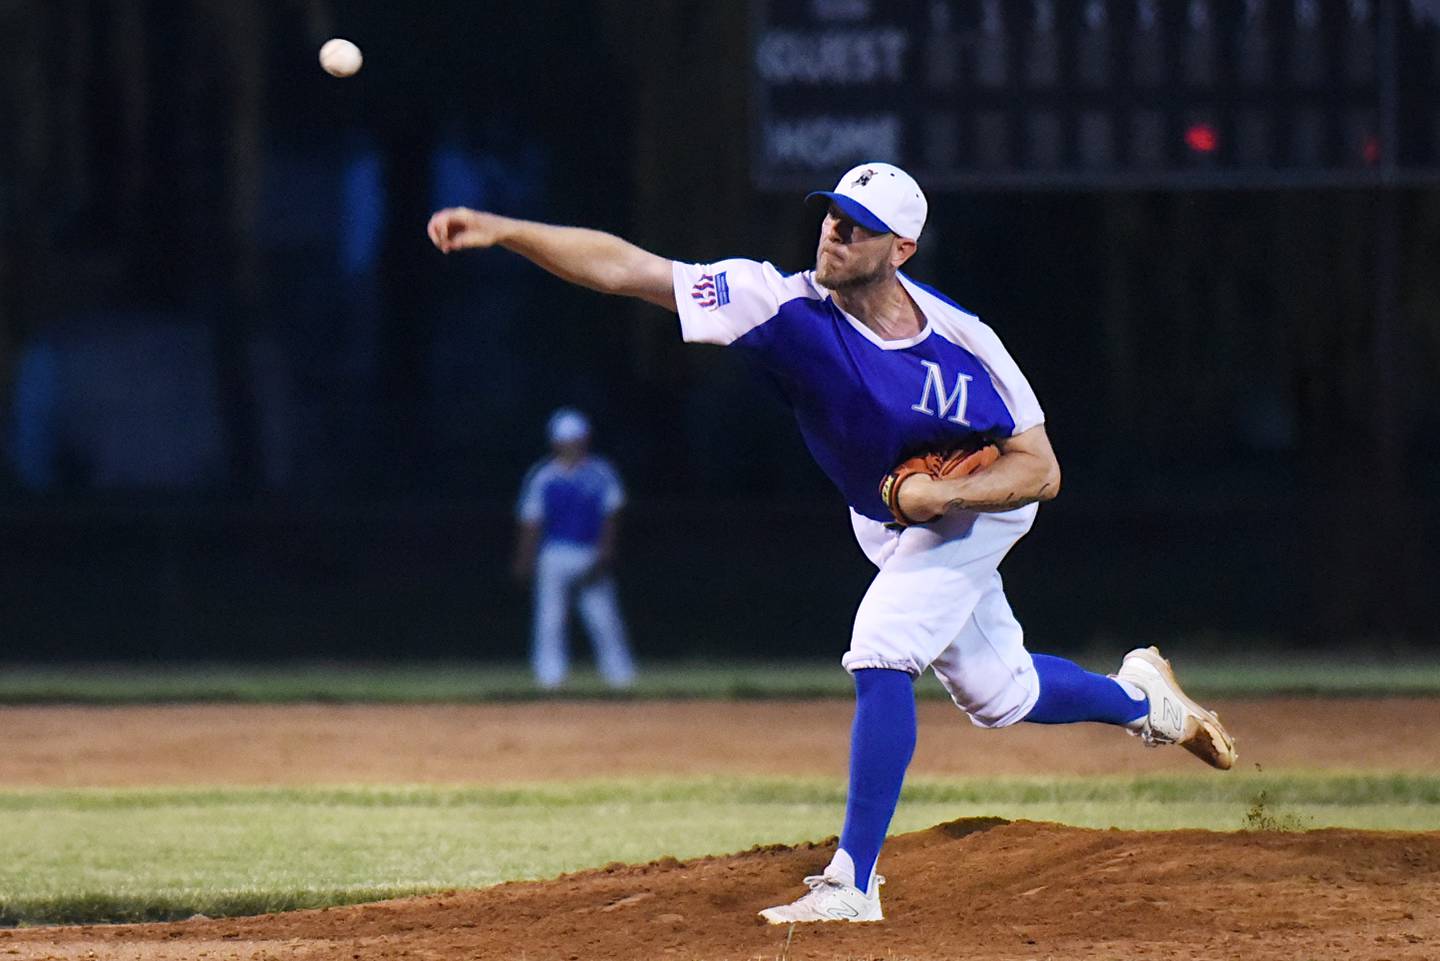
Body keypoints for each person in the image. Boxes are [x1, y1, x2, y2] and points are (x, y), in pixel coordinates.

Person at [428, 162, 1235, 924]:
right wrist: (504, 228)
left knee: (881, 647)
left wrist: (940, 493)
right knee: (1001, 694)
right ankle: (1146, 701)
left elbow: (1043, 468)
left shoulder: (966, 340)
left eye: (861, 225)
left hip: (980, 508)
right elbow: (627, 268)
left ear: (902, 248)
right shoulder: (777, 305)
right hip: (885, 519)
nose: (836, 233)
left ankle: (853, 879)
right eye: (833, 216)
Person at [513, 407, 636, 691]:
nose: (571, 446)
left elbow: (611, 515)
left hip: (588, 553)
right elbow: (532, 521)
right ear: (555, 443)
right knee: (550, 619)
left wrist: (606, 552)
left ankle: (621, 678)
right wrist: (524, 559)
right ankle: (550, 678)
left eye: (576, 440)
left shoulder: (600, 473)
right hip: (554, 554)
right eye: (566, 440)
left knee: (604, 618)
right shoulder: (544, 476)